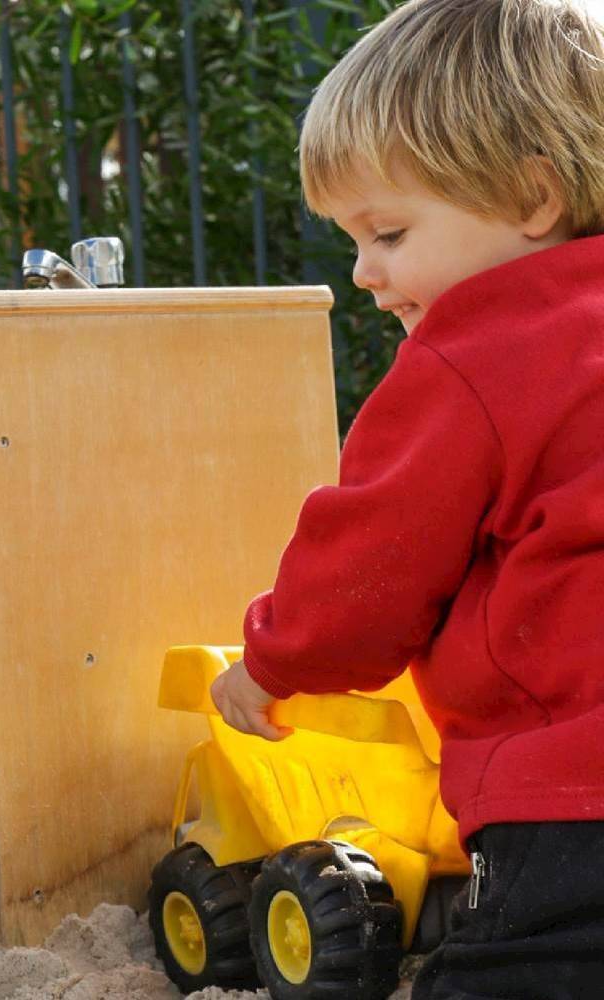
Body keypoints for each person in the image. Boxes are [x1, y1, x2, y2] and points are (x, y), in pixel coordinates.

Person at [206, 0, 604, 996]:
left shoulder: (473, 351)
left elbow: (369, 563)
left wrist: (270, 662)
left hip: (571, 792)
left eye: (386, 231)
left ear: (533, 197)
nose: (364, 273)